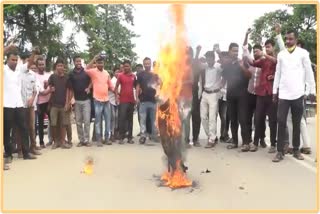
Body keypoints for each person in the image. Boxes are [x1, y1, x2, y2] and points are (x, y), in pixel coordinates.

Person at [272, 30, 316, 162]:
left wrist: (312, 91)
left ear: (296, 40)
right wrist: (275, 91)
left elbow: (309, 73)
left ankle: (296, 149)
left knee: (297, 123)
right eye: (286, 39)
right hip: (284, 95)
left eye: (290, 39)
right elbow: (278, 74)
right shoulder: (281, 55)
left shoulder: (303, 54)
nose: (287, 41)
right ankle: (280, 151)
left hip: (298, 94)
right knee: (281, 122)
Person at [4, 47, 37, 164]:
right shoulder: (3, 69)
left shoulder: (19, 69)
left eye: (16, 60)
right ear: (7, 60)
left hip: (19, 105)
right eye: (12, 60)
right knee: (7, 131)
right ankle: (8, 154)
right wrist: (7, 48)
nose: (14, 62)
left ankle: (26, 153)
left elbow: (30, 63)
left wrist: (33, 53)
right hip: (6, 105)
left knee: (24, 129)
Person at [245, 38, 277, 153]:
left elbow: (275, 62)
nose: (267, 49)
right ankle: (255, 143)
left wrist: (273, 76)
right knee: (258, 119)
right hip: (261, 93)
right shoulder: (263, 60)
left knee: (273, 121)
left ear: (273, 47)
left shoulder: (278, 58)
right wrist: (246, 51)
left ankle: (273, 144)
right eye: (266, 47)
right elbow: (253, 62)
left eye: (269, 47)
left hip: (272, 94)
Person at [222, 43, 251, 151]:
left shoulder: (243, 62)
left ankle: (246, 143)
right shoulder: (227, 65)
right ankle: (235, 142)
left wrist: (242, 66)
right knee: (233, 119)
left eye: (237, 51)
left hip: (242, 96)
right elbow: (224, 78)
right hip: (230, 95)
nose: (236, 53)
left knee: (243, 119)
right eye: (234, 51)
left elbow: (249, 75)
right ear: (229, 51)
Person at [242, 28, 266, 149]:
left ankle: (261, 139)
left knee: (259, 119)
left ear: (262, 52)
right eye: (254, 51)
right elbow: (245, 49)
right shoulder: (250, 62)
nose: (256, 53)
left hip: (260, 95)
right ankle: (247, 141)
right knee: (248, 119)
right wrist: (246, 35)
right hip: (250, 94)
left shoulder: (265, 64)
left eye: (258, 51)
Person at [86, 55, 114, 146]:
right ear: (96, 63)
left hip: (106, 100)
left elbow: (111, 86)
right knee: (98, 121)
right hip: (97, 100)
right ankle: (99, 139)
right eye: (98, 62)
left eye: (101, 62)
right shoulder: (93, 72)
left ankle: (107, 138)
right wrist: (93, 59)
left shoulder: (106, 73)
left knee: (107, 120)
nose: (100, 64)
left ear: (103, 63)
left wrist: (117, 94)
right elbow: (86, 69)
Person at [198, 49, 223, 148]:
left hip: (214, 94)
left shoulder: (218, 67)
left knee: (212, 117)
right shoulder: (205, 66)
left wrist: (219, 52)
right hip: (205, 93)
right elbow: (197, 62)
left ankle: (212, 139)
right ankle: (212, 136)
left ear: (213, 58)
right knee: (203, 117)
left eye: (210, 58)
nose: (208, 61)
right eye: (207, 58)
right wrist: (198, 52)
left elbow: (225, 68)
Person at [48, 58, 73, 149]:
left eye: (61, 66)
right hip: (54, 104)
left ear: (64, 67)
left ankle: (62, 141)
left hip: (64, 104)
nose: (60, 67)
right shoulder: (52, 77)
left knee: (64, 124)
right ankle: (55, 142)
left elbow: (70, 91)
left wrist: (68, 102)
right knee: (53, 124)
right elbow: (48, 87)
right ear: (56, 67)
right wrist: (50, 89)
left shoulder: (67, 77)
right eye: (58, 66)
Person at [68, 55, 92, 147]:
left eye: (79, 61)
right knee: (78, 122)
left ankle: (87, 140)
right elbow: (70, 88)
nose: (78, 63)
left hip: (86, 100)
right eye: (76, 61)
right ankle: (81, 140)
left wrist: (89, 87)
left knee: (86, 121)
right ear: (74, 62)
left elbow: (93, 80)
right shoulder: (71, 74)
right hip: (77, 101)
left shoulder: (86, 71)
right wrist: (72, 98)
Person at [136, 57, 160, 144]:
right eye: (145, 63)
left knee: (154, 120)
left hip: (153, 100)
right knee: (143, 119)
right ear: (143, 64)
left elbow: (158, 85)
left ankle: (154, 135)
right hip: (143, 100)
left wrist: (158, 94)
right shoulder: (140, 74)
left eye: (148, 63)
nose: (147, 65)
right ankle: (143, 136)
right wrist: (137, 97)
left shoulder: (155, 74)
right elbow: (138, 86)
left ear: (150, 64)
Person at [115, 60, 136, 144]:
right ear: (123, 67)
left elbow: (137, 87)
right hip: (123, 101)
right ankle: (121, 137)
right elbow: (116, 87)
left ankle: (130, 138)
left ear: (130, 66)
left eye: (127, 66)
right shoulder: (120, 76)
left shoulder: (133, 76)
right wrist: (117, 97)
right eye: (125, 66)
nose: (126, 68)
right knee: (122, 119)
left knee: (130, 120)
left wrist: (136, 98)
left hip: (131, 101)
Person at [35, 57, 53, 148]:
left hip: (49, 102)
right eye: (40, 64)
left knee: (52, 122)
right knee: (41, 124)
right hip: (40, 103)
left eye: (43, 64)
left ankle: (52, 140)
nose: (41, 66)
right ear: (37, 65)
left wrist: (48, 86)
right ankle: (41, 142)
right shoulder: (35, 76)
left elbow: (51, 86)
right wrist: (48, 88)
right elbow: (41, 91)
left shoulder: (48, 75)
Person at [109, 68, 121, 142]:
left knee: (117, 117)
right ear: (114, 73)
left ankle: (116, 132)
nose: (118, 73)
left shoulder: (120, 79)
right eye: (116, 72)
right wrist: (118, 94)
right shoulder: (111, 80)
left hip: (119, 101)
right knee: (112, 117)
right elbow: (112, 89)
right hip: (111, 100)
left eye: (119, 72)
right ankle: (111, 133)